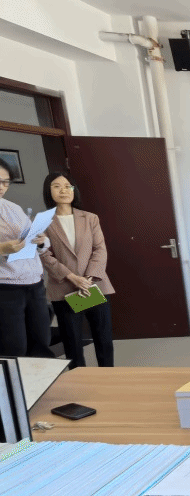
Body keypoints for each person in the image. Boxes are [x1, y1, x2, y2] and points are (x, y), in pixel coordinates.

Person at [39, 172, 115, 368]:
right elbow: (44, 254)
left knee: (104, 340)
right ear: (48, 191)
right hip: (63, 288)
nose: (63, 190)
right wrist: (72, 277)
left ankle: (108, 378)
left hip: (94, 286)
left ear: (74, 190)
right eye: (57, 186)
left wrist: (87, 279)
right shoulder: (42, 221)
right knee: (72, 344)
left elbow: (100, 249)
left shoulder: (90, 218)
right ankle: (78, 381)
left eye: (68, 186)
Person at [0, 158, 54, 358]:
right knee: (14, 348)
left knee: (41, 344)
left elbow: (36, 242)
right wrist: (2, 248)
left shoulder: (12, 208)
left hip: (34, 284)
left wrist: (41, 241)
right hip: (6, 288)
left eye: (6, 182)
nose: (2, 187)